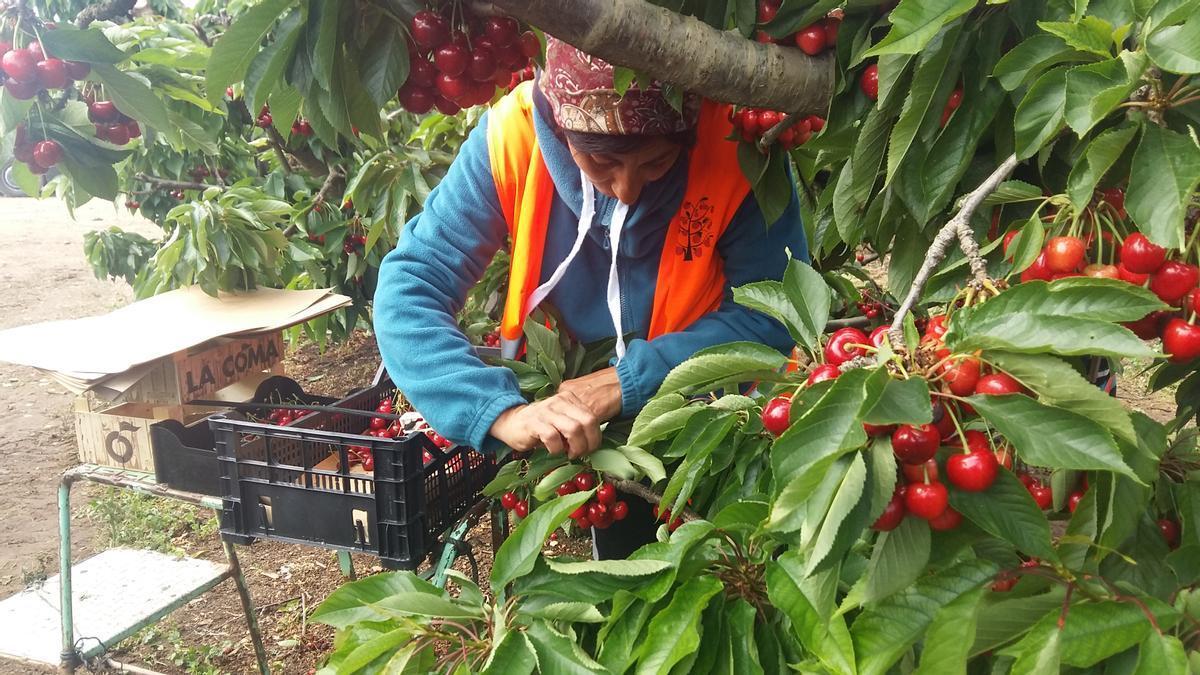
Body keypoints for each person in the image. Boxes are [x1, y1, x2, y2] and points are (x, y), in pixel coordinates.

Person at [375, 38, 808, 559]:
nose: (626, 189)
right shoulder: (511, 141)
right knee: (631, 574)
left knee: (740, 560)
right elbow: (411, 286)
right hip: (592, 428)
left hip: (720, 415)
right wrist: (497, 412)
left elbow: (776, 313)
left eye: (656, 163)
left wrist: (630, 380)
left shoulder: (736, 142)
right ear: (558, 129)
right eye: (600, 163)